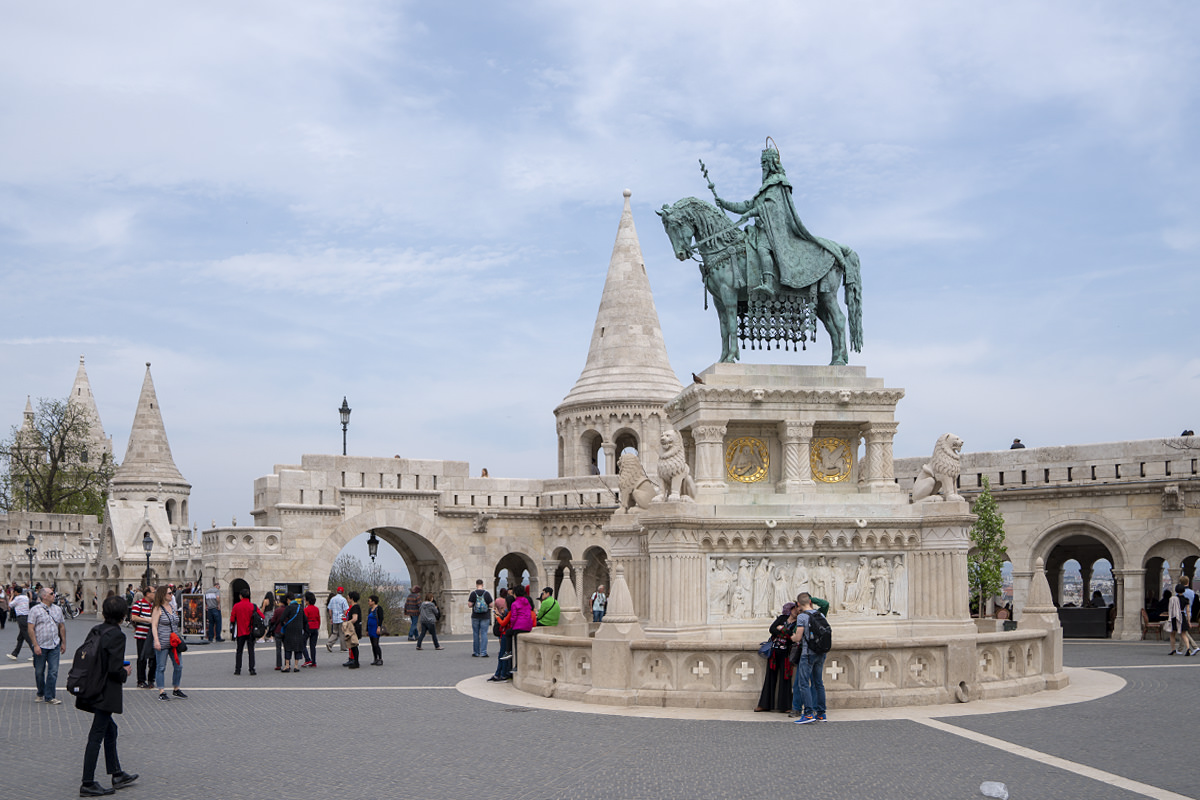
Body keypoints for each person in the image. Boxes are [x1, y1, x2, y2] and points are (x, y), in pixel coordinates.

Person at [711, 145, 847, 297]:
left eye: (764, 163)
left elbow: (770, 207)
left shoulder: (778, 182)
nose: (762, 167)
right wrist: (724, 203)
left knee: (763, 249)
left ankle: (768, 283)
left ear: (771, 163)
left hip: (775, 230)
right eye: (761, 163)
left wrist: (751, 213)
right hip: (761, 228)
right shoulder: (765, 186)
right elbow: (748, 204)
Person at [77, 594, 139, 797]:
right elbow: (114, 670)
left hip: (91, 685)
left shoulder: (97, 629)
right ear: (123, 615)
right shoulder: (117, 635)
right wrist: (125, 672)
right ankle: (87, 782)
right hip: (104, 691)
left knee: (110, 730)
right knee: (96, 735)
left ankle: (117, 773)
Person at [790, 593, 827, 724]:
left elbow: (798, 637)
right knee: (818, 683)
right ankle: (821, 714)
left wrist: (792, 637)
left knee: (804, 683)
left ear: (799, 604)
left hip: (808, 653)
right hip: (821, 653)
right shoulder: (820, 614)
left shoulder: (802, 617)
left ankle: (808, 714)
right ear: (810, 602)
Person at [755, 602, 796, 713]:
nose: (795, 611)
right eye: (794, 609)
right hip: (774, 652)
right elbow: (772, 629)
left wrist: (781, 630)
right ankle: (764, 704)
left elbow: (793, 636)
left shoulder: (797, 623)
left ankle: (786, 706)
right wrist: (785, 632)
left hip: (787, 653)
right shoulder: (782, 618)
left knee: (786, 678)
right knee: (770, 677)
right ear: (790, 610)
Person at [29, 587, 67, 704]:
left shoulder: (57, 609)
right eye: (51, 593)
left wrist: (64, 642)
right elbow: (30, 628)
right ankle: (41, 692)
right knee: (39, 672)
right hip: (40, 645)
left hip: (54, 644)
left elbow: (61, 626)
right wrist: (35, 645)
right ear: (44, 596)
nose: (54, 595)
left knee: (53, 671)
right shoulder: (35, 610)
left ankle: (50, 696)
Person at [150, 585, 186, 702]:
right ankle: (162, 691)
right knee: (161, 667)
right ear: (163, 595)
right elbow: (154, 626)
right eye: (169, 593)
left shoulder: (171, 606)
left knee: (178, 666)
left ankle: (176, 688)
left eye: (172, 593)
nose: (172, 595)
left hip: (174, 642)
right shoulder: (157, 609)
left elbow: (175, 623)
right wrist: (156, 640)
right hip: (162, 641)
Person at [130, 587, 156, 688]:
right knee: (142, 658)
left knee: (154, 658)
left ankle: (151, 679)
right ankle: (141, 680)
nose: (155, 594)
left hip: (153, 636)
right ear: (148, 594)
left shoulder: (155, 605)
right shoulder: (139, 604)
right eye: (154, 592)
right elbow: (134, 617)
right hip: (142, 635)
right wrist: (148, 620)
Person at [230, 588, 258, 675]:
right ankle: (252, 669)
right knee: (251, 651)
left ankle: (238, 669)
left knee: (239, 651)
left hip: (240, 631)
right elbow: (261, 616)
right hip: (251, 631)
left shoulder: (236, 606)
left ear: (241, 596)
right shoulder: (253, 606)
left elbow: (232, 619)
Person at [507, 585, 534, 671]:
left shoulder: (514, 603)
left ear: (515, 594)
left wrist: (512, 626)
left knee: (509, 635)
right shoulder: (527, 602)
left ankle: (509, 652)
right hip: (528, 626)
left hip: (518, 626)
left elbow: (514, 617)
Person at [1166, 585, 1198, 656]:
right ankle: (1188, 648)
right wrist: (1189, 621)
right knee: (1183, 633)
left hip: (1175, 617)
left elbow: (1170, 608)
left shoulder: (1173, 599)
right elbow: (1188, 611)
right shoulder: (1186, 599)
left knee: (1172, 633)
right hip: (1182, 615)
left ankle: (1173, 649)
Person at [279, 593, 307, 673]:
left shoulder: (289, 608)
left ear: (288, 600)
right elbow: (305, 620)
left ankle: (287, 666)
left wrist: (283, 625)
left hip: (289, 630)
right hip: (298, 630)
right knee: (297, 647)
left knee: (288, 647)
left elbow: (282, 618)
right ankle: (296, 666)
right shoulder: (300, 608)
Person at [488, 595, 512, 682]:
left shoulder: (510, 613)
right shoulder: (509, 612)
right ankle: (499, 673)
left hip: (506, 635)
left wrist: (497, 617)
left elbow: (503, 623)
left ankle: (501, 674)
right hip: (505, 634)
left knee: (502, 655)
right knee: (503, 655)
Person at [467, 579, 493, 658]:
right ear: (482, 584)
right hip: (485, 616)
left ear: (476, 584)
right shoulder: (486, 593)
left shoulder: (473, 594)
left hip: (475, 616)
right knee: (484, 633)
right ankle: (484, 652)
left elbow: (469, 604)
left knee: (476, 634)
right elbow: (491, 605)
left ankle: (476, 652)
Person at [8, 584, 32, 660]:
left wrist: (11, 596)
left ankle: (35, 653)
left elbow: (10, 605)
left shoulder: (17, 598)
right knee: (20, 638)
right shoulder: (25, 597)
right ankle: (15, 653)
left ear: (16, 592)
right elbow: (30, 599)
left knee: (27, 637)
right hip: (27, 617)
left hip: (21, 618)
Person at [268, 598, 289, 671]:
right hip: (287, 630)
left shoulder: (277, 610)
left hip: (278, 630)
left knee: (278, 648)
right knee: (287, 648)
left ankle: (278, 665)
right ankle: (287, 663)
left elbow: (273, 620)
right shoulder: (289, 610)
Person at [326, 587, 348, 652]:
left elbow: (330, 609)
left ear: (337, 591)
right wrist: (346, 618)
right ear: (343, 592)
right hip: (341, 618)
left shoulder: (332, 599)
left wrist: (331, 618)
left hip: (335, 618)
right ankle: (343, 648)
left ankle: (329, 643)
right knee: (342, 633)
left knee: (335, 632)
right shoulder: (343, 599)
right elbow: (345, 610)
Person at [303, 592, 321, 667]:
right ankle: (314, 661)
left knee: (302, 643)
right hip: (315, 627)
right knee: (313, 645)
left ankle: (307, 659)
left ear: (307, 601)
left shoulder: (306, 609)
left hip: (308, 627)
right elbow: (318, 618)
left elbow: (305, 619)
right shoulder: (316, 609)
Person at [366, 595, 384, 666]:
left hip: (376, 628)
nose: (368, 602)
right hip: (370, 628)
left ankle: (380, 658)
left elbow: (381, 618)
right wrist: (367, 629)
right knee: (372, 645)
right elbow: (368, 619)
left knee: (376, 644)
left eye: (369, 601)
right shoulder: (370, 609)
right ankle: (375, 658)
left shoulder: (378, 608)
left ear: (373, 602)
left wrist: (379, 627)